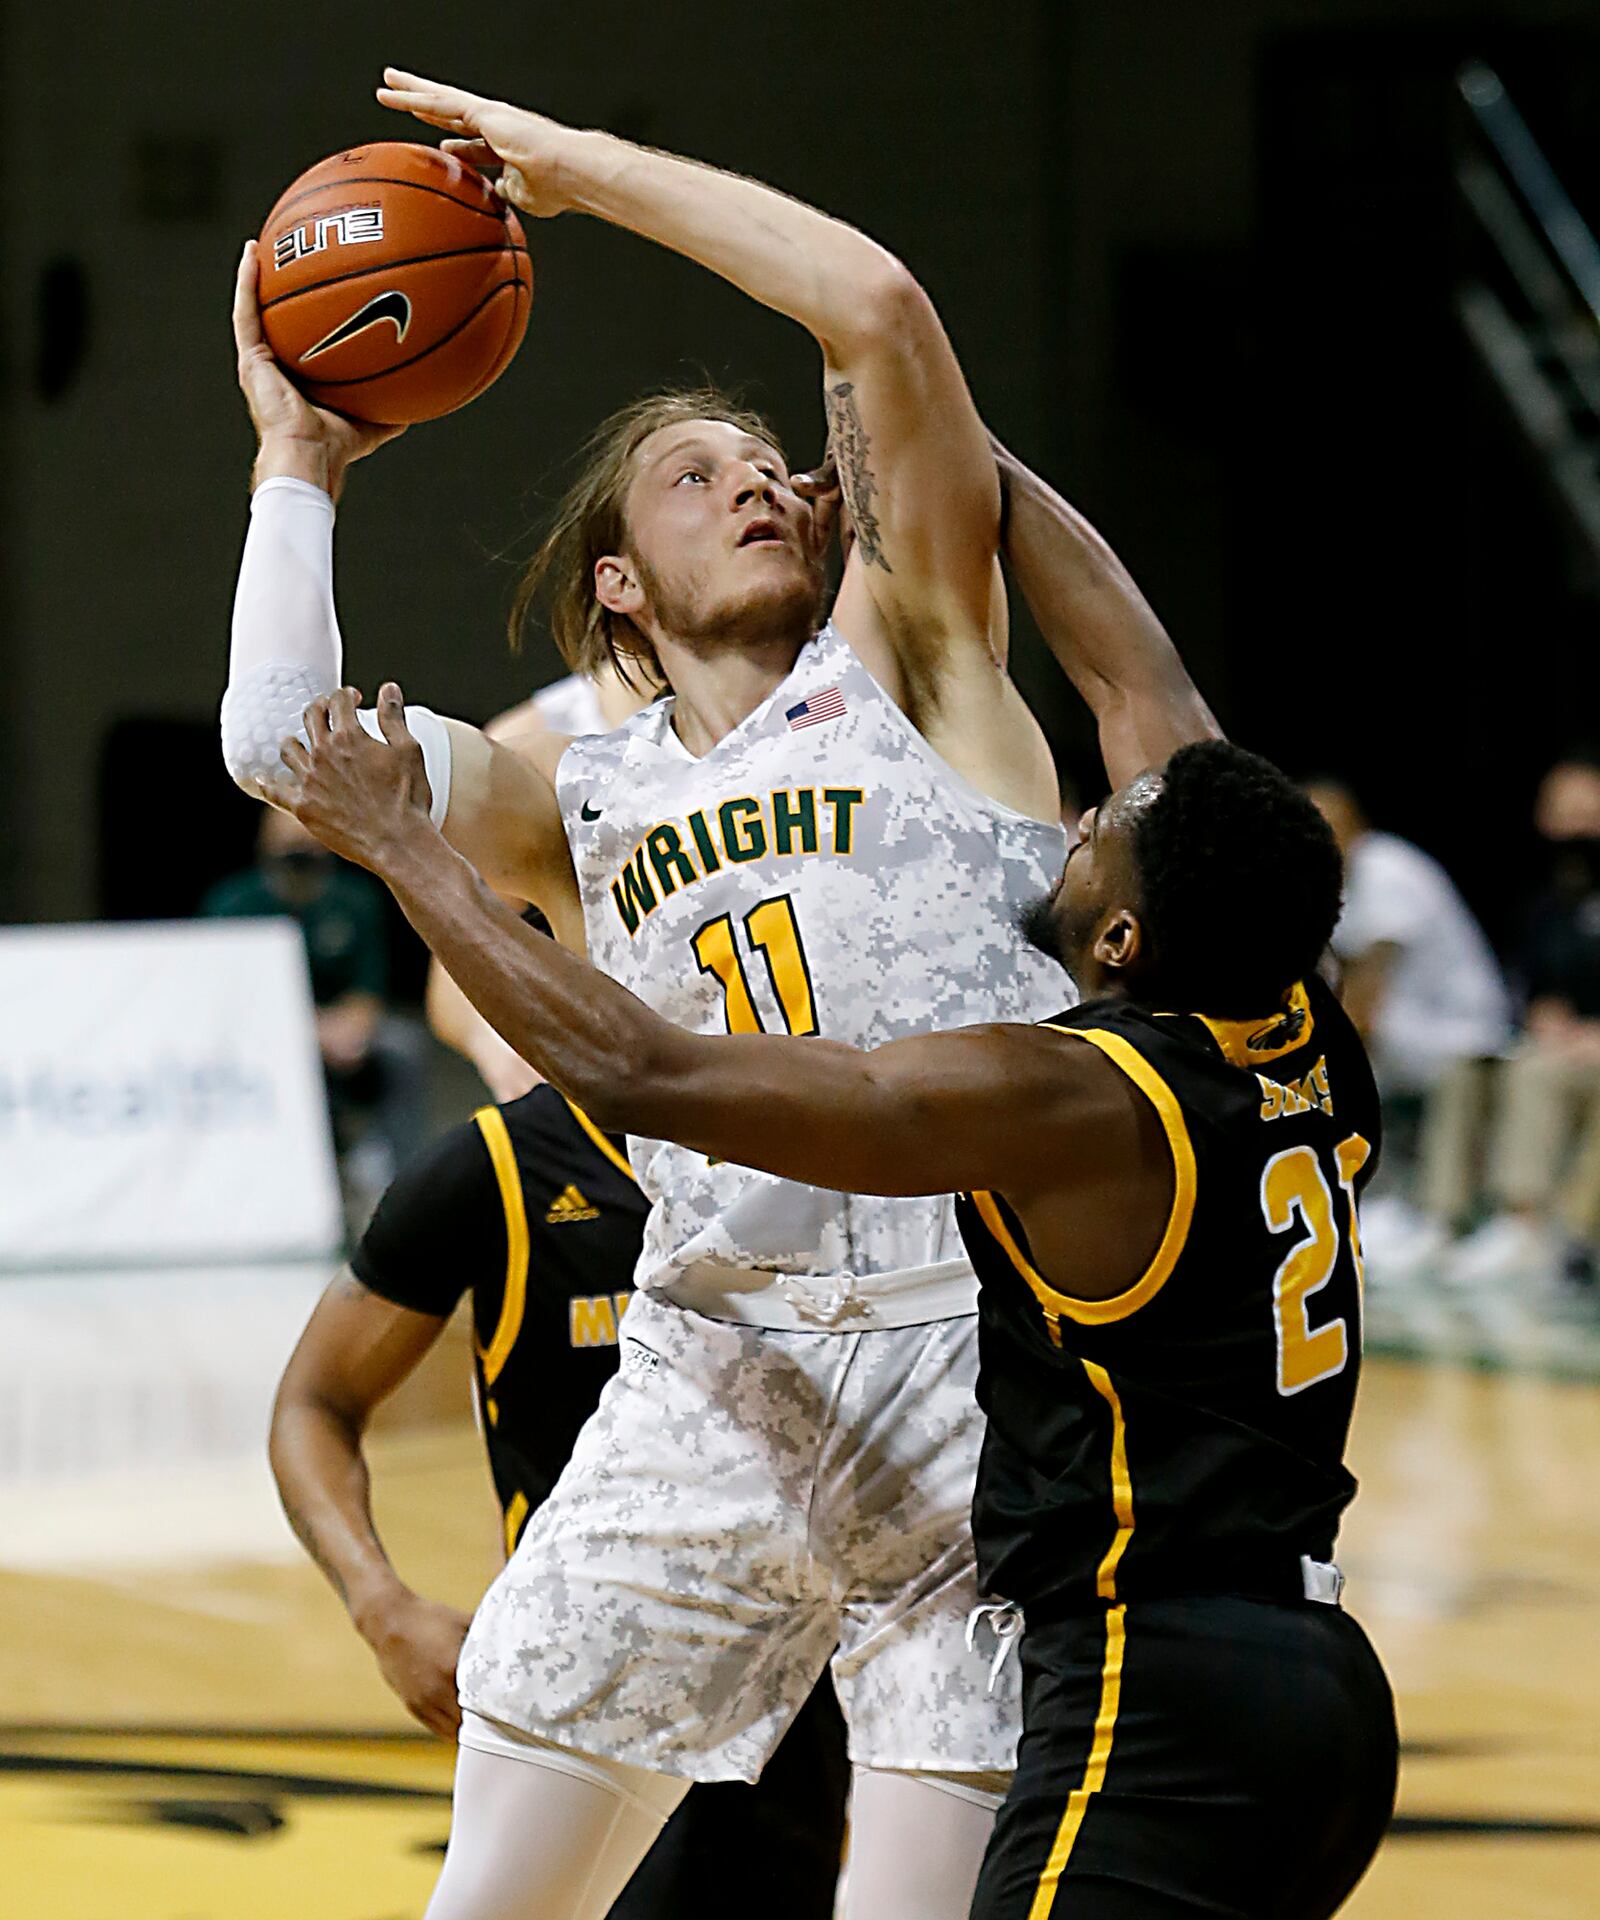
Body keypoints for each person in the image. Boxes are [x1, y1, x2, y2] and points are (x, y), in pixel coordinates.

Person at [225, 73, 1214, 1919]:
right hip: (710, 1374)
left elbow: (881, 313)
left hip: (978, 1364)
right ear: (618, 584)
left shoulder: (916, 648)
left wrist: (577, 177)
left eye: (768, 461)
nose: (757, 477)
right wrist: (299, 457)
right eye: (696, 474)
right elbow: (282, 748)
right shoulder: (571, 796)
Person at [277, 709, 1396, 1920]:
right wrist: (1005, 506)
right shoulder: (1307, 1044)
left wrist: (407, 854)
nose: (1071, 829)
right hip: (1323, 1688)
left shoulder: (1068, 1099)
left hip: (1155, 1684)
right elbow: (1158, 711)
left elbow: (644, 1073)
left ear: (1123, 935)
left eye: (1095, 841)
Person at [269, 1081, 849, 1918]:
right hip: (601, 1669)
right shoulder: (500, 1166)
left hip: (808, 1677)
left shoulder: (808, 1138)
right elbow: (312, 1402)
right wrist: (379, 1603)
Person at [1304, 777, 1510, 1272]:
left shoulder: (1388, 872)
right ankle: (1367, 1202)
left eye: (1333, 827)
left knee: (1331, 1053)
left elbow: (1365, 1003)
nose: (1322, 839)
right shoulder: (1327, 878)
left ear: (1360, 828)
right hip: (1407, 1037)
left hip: (1462, 1033)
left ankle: (1401, 1212)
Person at [425, 665, 652, 1102]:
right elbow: (449, 982)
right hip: (614, 1063)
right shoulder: (529, 738)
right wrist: (495, 1045)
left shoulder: (782, 700)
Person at [200, 802, 425, 1201]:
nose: (298, 856)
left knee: (402, 1046)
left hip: (343, 1033)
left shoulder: (355, 899)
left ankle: (402, 1182)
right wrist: (309, 1028)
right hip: (261, 1034)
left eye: (307, 842)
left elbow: (370, 985)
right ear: (265, 844)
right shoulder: (234, 903)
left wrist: (355, 1023)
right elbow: (227, 994)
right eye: (287, 844)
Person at [1451, 753, 1600, 1288]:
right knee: (1466, 1067)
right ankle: (1444, 1223)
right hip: (1557, 1045)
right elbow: (1532, 984)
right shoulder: (1547, 898)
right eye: (1561, 811)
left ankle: (1529, 1225)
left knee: (1538, 1074)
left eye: (1585, 809)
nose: (1573, 826)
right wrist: (1544, 1014)